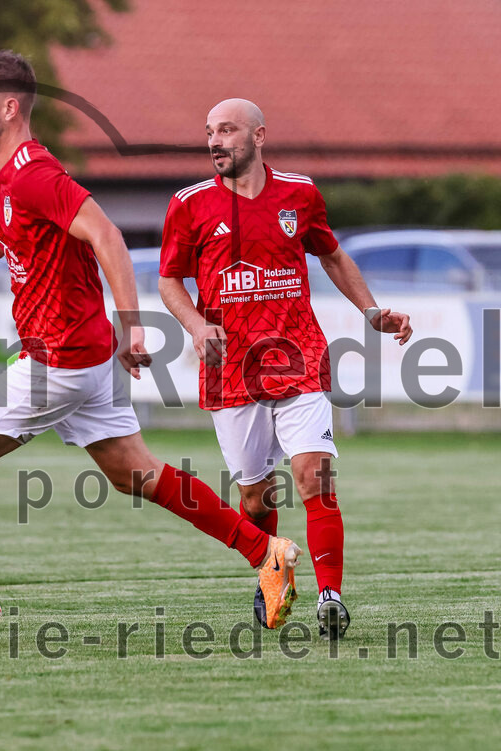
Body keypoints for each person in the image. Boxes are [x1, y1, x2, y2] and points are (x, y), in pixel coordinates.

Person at [0, 51, 303, 632]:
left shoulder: (34, 173)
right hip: (84, 360)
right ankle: (263, 552)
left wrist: (134, 325)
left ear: (10, 107)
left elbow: (107, 233)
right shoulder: (2, 173)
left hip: (57, 359)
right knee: (136, 473)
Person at [158, 98, 413, 639]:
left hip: (298, 356)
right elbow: (169, 281)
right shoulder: (189, 205)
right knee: (256, 495)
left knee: (314, 478)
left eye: (227, 130)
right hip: (231, 369)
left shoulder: (300, 193)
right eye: (209, 132)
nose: (215, 141)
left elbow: (332, 255)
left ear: (258, 135)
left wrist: (371, 311)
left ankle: (330, 596)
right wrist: (197, 327)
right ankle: (270, 569)